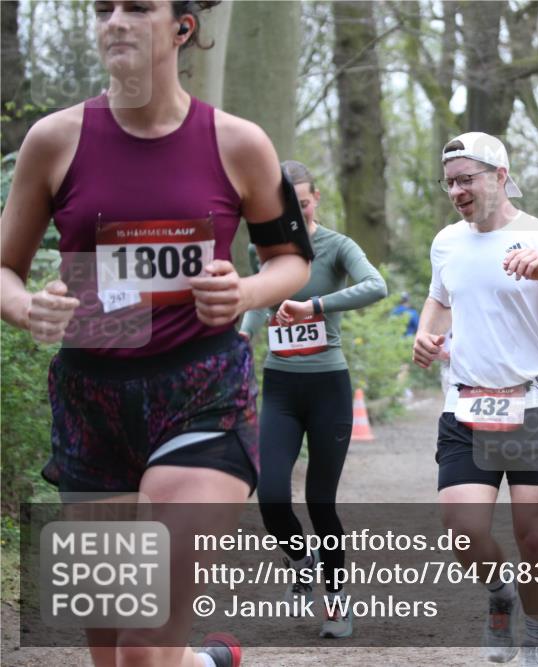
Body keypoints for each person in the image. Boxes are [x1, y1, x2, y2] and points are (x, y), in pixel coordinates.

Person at [0, 2, 311, 666]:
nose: (115, 20)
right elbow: (5, 268)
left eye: (137, 6)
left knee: (145, 638)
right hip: (92, 397)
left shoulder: (238, 142)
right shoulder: (54, 140)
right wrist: (27, 308)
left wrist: (244, 292)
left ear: (182, 27)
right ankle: (205, 661)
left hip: (202, 390)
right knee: (114, 647)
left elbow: (292, 259)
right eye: (102, 8)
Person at [412, 132, 538, 667]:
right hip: (466, 405)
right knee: (461, 531)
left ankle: (537, 645)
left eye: (466, 179)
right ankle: (501, 594)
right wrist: (426, 333)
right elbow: (439, 297)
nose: (456, 191)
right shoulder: (447, 241)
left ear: (500, 176)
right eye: (449, 182)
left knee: (536, 541)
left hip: (536, 406)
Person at [239, 160, 387, 639]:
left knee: (321, 501)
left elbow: (376, 286)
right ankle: (302, 560)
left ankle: (338, 602)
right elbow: (260, 304)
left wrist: (316, 305)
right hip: (280, 386)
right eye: (288, 206)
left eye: (303, 204)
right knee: (272, 495)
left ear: (316, 198)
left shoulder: (337, 246)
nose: (297, 214)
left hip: (328, 387)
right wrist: (244, 337)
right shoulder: (260, 248)